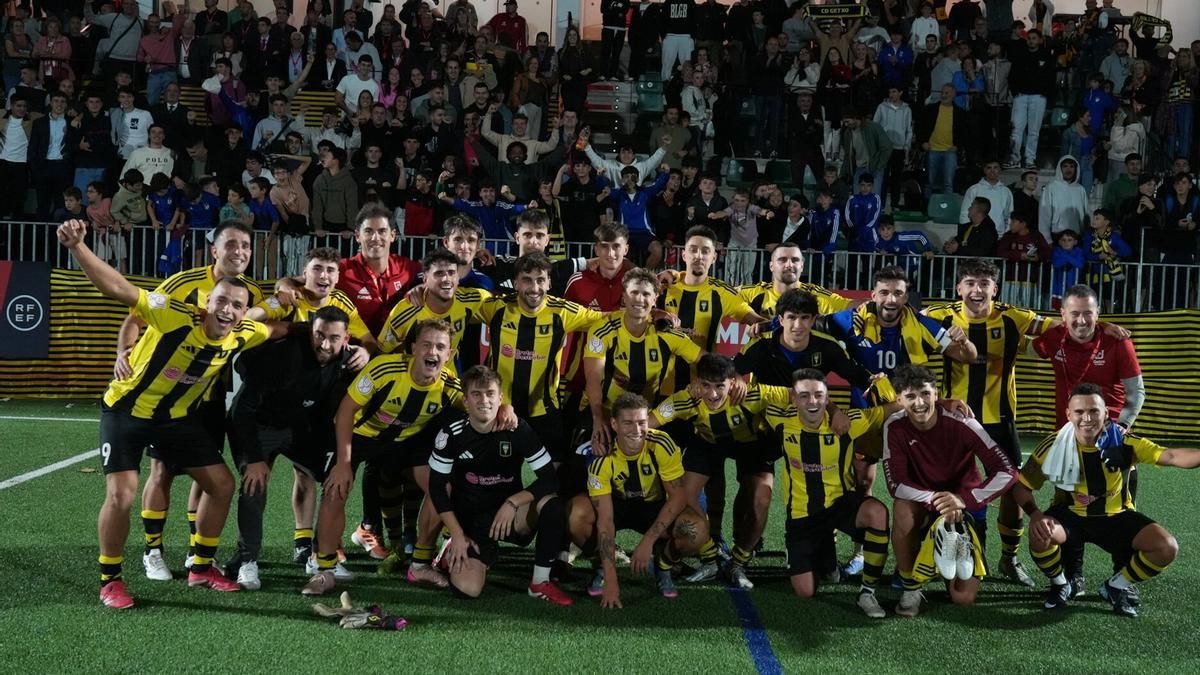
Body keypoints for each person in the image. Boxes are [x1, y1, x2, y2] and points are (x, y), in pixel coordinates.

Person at [56, 218, 287, 609]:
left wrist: (310, 317)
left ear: (246, 312)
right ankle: (111, 580)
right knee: (122, 494)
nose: (228, 310)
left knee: (222, 485)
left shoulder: (245, 332)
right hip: (126, 411)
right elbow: (120, 290)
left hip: (176, 417)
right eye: (221, 302)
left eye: (237, 306)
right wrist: (78, 247)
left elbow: (278, 329)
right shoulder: (174, 313)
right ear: (206, 303)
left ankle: (200, 566)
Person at [923, 258, 1069, 588]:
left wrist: (1104, 327)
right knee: (947, 486)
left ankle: (1009, 557)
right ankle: (950, 549)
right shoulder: (939, 316)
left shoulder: (1012, 316)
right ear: (959, 288)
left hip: (1000, 418)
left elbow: (1065, 324)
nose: (977, 290)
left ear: (995, 288)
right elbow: (905, 318)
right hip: (955, 420)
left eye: (984, 284)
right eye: (970, 283)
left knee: (1010, 486)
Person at [1015, 383, 1200, 617]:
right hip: (1070, 516)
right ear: (1068, 414)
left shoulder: (1124, 442)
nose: (1087, 418)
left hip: (1116, 517)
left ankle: (1116, 585)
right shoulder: (1052, 446)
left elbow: (1171, 456)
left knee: (1166, 547)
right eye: (1080, 412)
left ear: (1105, 413)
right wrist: (1036, 515)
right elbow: (1022, 487)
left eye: (1094, 411)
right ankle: (1061, 584)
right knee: (1040, 533)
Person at [225, 306, 367, 589]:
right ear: (310, 332)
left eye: (334, 338)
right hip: (258, 425)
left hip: (299, 429)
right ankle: (246, 559)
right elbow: (242, 409)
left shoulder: (348, 358)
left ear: (346, 338)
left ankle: (319, 555)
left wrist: (367, 353)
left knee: (335, 477)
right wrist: (254, 459)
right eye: (319, 336)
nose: (325, 345)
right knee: (255, 484)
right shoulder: (280, 356)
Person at [883, 363, 1019, 618]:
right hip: (925, 504)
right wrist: (937, 499)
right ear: (900, 400)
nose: (919, 402)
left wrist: (964, 500)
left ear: (936, 393)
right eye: (910, 397)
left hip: (964, 509)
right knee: (902, 508)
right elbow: (896, 483)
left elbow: (1007, 470)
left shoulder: (963, 422)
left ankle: (936, 554)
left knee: (963, 597)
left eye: (925, 393)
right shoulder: (895, 426)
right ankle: (911, 586)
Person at [429, 365, 571, 605]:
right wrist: (458, 534)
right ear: (465, 401)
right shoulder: (451, 435)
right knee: (469, 589)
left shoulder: (518, 429)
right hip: (470, 524)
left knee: (552, 503)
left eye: (490, 393)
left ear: (500, 398)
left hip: (511, 516)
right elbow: (436, 488)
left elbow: (550, 478)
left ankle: (539, 582)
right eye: (476, 394)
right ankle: (457, 550)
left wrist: (513, 502)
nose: (484, 400)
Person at [568, 392, 709, 607]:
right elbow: (605, 520)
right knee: (576, 514)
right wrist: (613, 582)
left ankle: (664, 564)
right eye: (628, 423)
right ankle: (602, 567)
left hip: (654, 507)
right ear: (614, 424)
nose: (636, 431)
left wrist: (648, 541)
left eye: (642, 422)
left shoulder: (662, 444)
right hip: (617, 508)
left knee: (696, 530)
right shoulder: (601, 458)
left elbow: (678, 497)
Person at [1007, 29, 1056, 170]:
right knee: (1016, 129)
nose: (1031, 40)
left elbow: (1051, 78)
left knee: (1034, 131)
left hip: (1038, 97)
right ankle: (1014, 159)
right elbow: (1012, 76)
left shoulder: (1046, 56)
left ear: (1040, 40)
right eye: (1029, 38)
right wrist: (1015, 92)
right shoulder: (1020, 55)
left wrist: (1045, 95)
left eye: (1034, 38)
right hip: (1021, 96)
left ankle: (1030, 159)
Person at [916, 84, 966, 196]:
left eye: (947, 93)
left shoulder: (960, 113)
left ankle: (946, 210)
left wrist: (958, 146)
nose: (943, 95)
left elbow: (964, 133)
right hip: (932, 149)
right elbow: (920, 127)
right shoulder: (930, 109)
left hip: (950, 152)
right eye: (942, 92)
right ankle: (928, 209)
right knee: (929, 182)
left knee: (948, 183)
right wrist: (922, 143)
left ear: (953, 94)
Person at [1039, 156, 1091, 243]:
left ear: (1076, 169)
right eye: (1065, 166)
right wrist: (1047, 239)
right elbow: (1044, 215)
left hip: (1076, 237)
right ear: (1060, 168)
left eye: (1071, 166)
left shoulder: (1080, 189)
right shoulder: (1051, 187)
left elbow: (1086, 215)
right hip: (1057, 235)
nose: (1068, 169)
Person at [960, 160, 1014, 230]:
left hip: (1000, 235)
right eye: (989, 168)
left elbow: (1009, 215)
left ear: (1000, 170)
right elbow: (965, 213)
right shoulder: (974, 189)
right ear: (984, 170)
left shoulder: (1006, 191)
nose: (992, 170)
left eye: (995, 168)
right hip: (977, 234)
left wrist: (1006, 234)